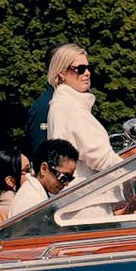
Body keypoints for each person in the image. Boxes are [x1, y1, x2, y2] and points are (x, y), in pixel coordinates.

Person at [42, 45, 119, 175]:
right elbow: (103, 159)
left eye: (88, 68)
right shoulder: (70, 107)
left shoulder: (61, 104)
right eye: (80, 69)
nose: (87, 73)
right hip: (93, 191)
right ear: (62, 73)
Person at [1, 138, 79, 221]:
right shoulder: (30, 203)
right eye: (63, 177)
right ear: (44, 169)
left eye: (70, 178)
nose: (66, 183)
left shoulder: (37, 194)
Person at [24, 42, 76, 159]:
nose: (85, 73)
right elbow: (42, 156)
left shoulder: (74, 101)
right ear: (60, 69)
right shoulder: (44, 107)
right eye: (76, 68)